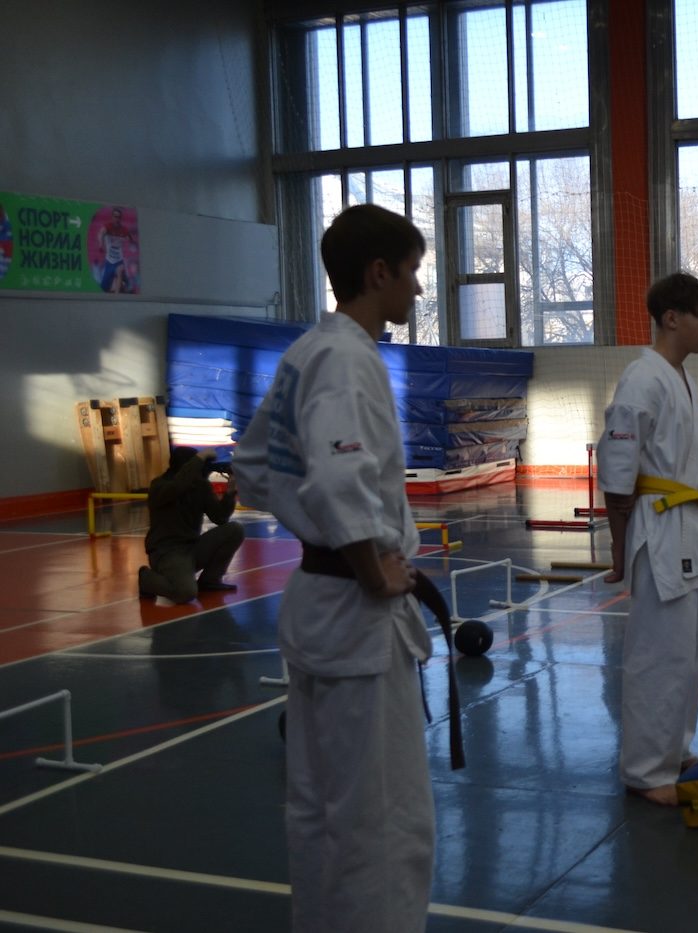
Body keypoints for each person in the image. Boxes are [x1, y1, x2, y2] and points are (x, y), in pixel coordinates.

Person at [232, 204, 435, 932]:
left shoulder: (307, 351)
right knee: (381, 817)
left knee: (319, 806)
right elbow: (339, 478)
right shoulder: (347, 358)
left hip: (320, 599)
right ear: (378, 273)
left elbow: (254, 464)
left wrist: (315, 535)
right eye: (412, 271)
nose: (417, 287)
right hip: (356, 609)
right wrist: (371, 567)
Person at [597, 271, 698, 807]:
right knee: (659, 653)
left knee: (691, 648)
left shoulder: (682, 377)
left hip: (689, 524)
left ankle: (674, 750)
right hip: (658, 528)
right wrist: (617, 550)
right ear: (672, 318)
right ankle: (646, 771)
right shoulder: (642, 378)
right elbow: (617, 475)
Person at [137, 446, 244, 603]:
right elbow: (178, 485)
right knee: (185, 592)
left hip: (192, 548)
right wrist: (200, 458)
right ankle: (145, 579)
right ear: (188, 467)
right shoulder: (159, 486)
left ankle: (210, 580)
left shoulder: (200, 487)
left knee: (235, 530)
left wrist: (230, 493)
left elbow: (220, 517)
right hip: (167, 552)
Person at [96, 206, 136, 293]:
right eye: (115, 216)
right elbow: (101, 233)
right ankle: (119, 287)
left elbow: (130, 237)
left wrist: (130, 242)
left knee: (120, 272)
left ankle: (117, 294)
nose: (117, 219)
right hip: (109, 262)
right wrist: (101, 244)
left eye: (118, 217)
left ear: (120, 218)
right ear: (112, 217)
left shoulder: (124, 229)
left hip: (119, 261)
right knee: (104, 287)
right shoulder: (108, 226)